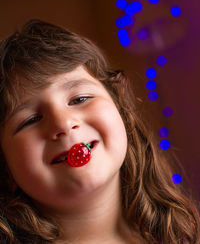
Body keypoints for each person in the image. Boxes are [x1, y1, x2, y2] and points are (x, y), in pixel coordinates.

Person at [0, 19, 199, 244]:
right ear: (5, 169)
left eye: (80, 98)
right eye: (31, 120)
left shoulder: (182, 234)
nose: (64, 124)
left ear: (121, 110)